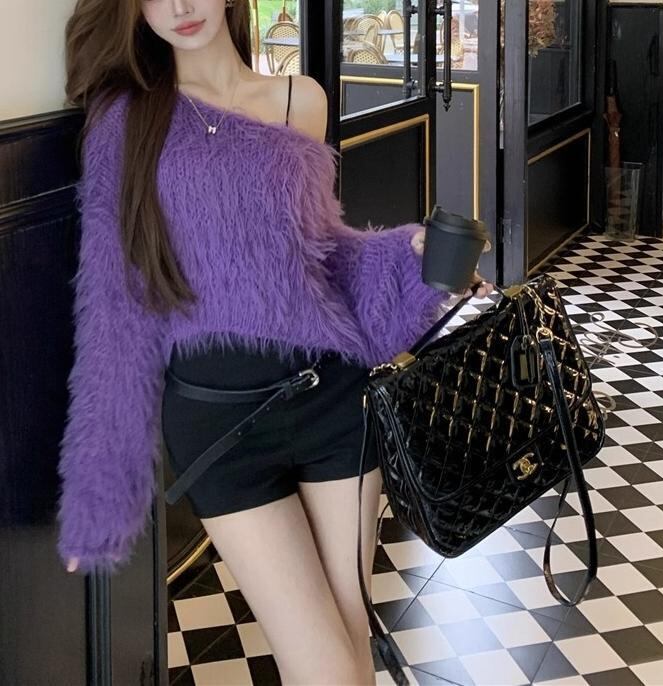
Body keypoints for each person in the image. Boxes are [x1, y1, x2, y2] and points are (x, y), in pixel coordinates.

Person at [58, 0, 494, 683]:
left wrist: (408, 259)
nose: (180, 6)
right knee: (324, 663)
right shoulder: (125, 119)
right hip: (220, 427)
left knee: (351, 637)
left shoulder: (301, 99)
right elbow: (114, 308)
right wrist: (100, 492)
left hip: (332, 402)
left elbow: (318, 254)